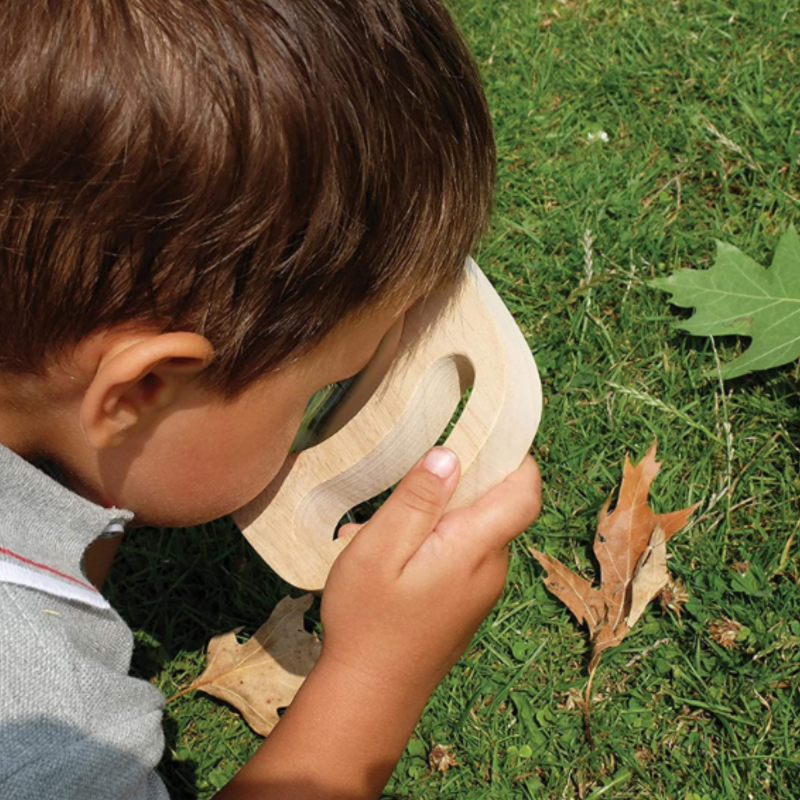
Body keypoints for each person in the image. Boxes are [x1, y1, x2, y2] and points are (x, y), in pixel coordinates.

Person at [0, 1, 542, 798]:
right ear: (143, 388)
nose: (321, 414)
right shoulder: (44, 723)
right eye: (322, 390)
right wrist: (373, 674)